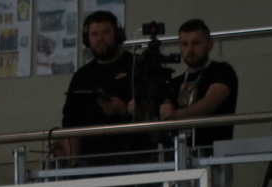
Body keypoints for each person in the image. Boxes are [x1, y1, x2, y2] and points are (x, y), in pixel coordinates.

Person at [59, 11, 144, 164]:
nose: (100, 39)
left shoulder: (137, 66)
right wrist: (74, 165)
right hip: (90, 165)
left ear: (117, 34)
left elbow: (153, 112)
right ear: (87, 39)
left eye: (106, 32)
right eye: (94, 34)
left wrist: (124, 109)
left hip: (134, 160)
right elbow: (70, 125)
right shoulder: (81, 76)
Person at [160, 19, 238, 147]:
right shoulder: (174, 83)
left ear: (210, 45)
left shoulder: (222, 70)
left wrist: (177, 114)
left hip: (215, 152)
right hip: (178, 154)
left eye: (196, 43)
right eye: (184, 44)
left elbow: (210, 103)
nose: (190, 49)